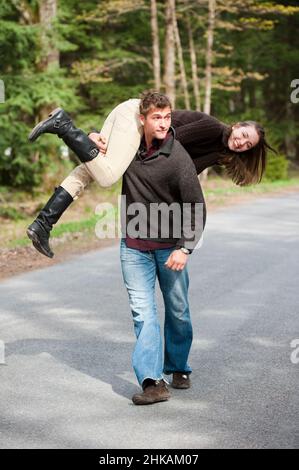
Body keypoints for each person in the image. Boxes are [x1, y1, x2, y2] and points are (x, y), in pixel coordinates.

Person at [26, 92, 274, 258]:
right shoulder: (211, 129)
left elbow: (181, 170)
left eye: (248, 145)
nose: (242, 143)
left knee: (89, 170)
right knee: (108, 176)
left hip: (133, 116)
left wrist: (94, 137)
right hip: (137, 117)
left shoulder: (219, 151)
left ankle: (42, 225)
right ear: (237, 126)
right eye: (243, 135)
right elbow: (166, 143)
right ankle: (64, 126)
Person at [120, 91, 205, 404]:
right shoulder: (127, 148)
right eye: (157, 117)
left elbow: (196, 205)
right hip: (133, 246)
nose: (163, 123)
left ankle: (179, 365)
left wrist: (185, 248)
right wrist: (93, 137)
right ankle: (152, 382)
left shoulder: (177, 156)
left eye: (167, 117)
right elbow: (98, 156)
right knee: (143, 313)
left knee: (178, 309)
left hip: (170, 248)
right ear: (142, 119)